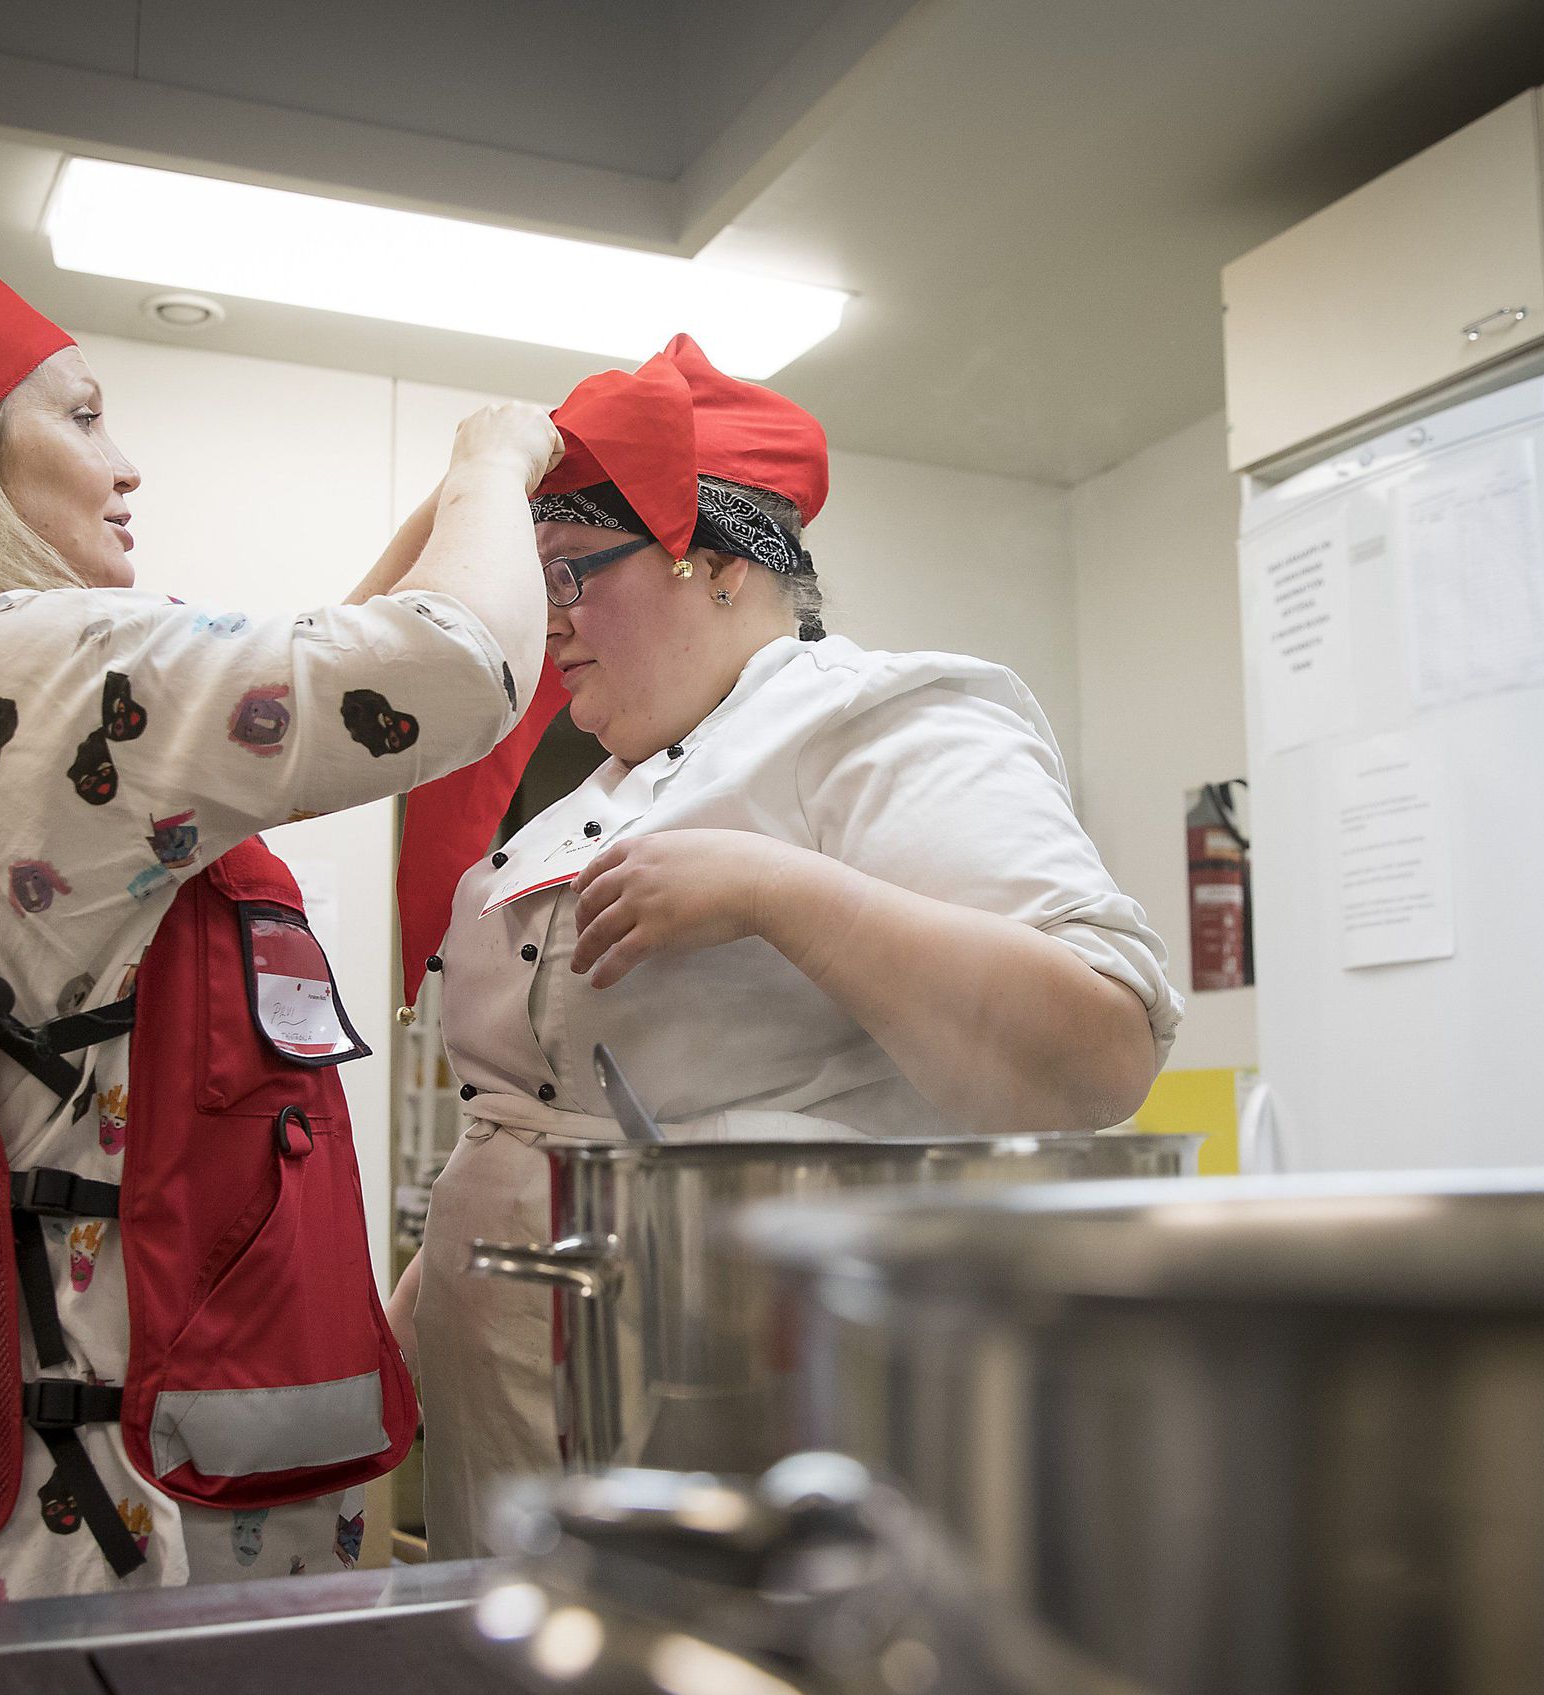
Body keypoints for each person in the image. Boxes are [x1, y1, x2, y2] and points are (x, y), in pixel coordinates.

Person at [0, 127, 557, 1604]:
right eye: (84, 416)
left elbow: (323, 685)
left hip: (26, 1476)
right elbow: (456, 673)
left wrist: (426, 546)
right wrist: (495, 456)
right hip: (138, 1513)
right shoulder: (38, 661)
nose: (129, 466)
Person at [391, 335, 1181, 1557]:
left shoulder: (880, 722)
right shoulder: (581, 797)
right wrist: (424, 1301)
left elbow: (1101, 1047)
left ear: (710, 562)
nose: (547, 624)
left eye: (571, 574)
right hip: (509, 1388)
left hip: (725, 1380)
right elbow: (522, 1104)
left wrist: (780, 890)